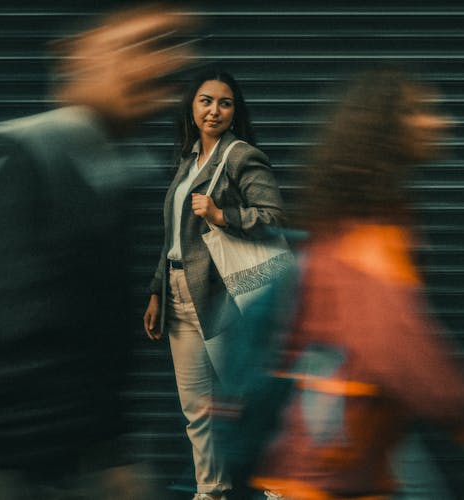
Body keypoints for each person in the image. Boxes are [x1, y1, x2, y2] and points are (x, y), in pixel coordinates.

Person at [0, 6, 197, 499]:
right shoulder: (23, 161)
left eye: (172, 46)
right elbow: (13, 333)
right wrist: (98, 459)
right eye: (139, 46)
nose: (162, 65)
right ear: (75, 54)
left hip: (56, 460)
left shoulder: (119, 171)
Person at [246, 67, 464, 500]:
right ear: (381, 128)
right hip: (322, 476)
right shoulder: (366, 239)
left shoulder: (353, 225)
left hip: (341, 464)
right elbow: (400, 347)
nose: (441, 122)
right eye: (419, 111)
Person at [143, 69, 287, 500]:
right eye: (206, 100)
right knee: (197, 411)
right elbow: (174, 235)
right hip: (178, 294)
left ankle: (280, 489)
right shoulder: (188, 161)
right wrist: (156, 290)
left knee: (245, 400)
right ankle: (211, 492)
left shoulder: (241, 156)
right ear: (192, 106)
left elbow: (273, 216)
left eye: (224, 103)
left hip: (221, 296)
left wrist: (223, 216)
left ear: (234, 112)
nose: (214, 110)